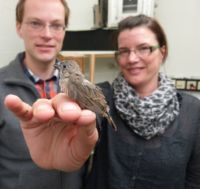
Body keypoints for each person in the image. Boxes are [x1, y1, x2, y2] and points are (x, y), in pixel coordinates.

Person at [5, 14, 200, 189]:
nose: (132, 58)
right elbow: (89, 122)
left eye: (144, 48)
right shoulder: (103, 94)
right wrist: (62, 136)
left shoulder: (194, 110)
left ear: (162, 52)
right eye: (123, 51)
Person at [0, 0, 98, 188]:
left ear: (64, 31)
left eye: (56, 25)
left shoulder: (85, 88)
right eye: (35, 23)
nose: (46, 35)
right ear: (19, 27)